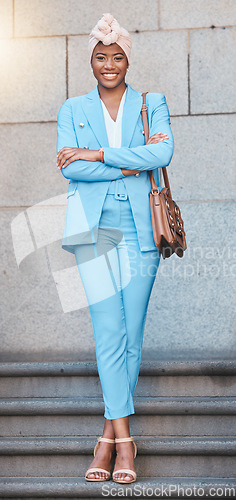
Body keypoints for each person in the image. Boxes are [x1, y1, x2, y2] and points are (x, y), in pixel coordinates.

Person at [57, 13, 174, 484]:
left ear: (128, 60)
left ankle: (107, 436)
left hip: (143, 229)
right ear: (91, 61)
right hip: (93, 228)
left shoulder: (152, 102)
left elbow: (160, 155)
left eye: (118, 56)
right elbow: (70, 169)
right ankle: (124, 444)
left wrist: (99, 154)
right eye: (101, 57)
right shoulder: (72, 109)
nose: (110, 64)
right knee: (108, 329)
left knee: (132, 333)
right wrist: (127, 165)